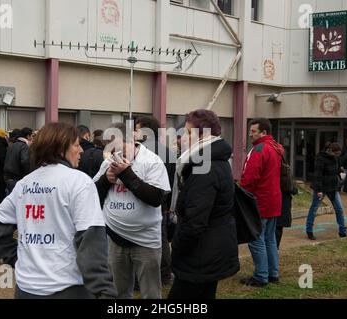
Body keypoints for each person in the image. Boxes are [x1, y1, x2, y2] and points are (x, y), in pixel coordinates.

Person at [0, 122, 117, 299]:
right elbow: (91, 242)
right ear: (60, 147)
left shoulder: (25, 183)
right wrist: (104, 291)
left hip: (25, 289)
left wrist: (20, 260)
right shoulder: (79, 182)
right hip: (68, 288)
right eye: (77, 145)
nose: (81, 151)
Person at [93, 122, 170, 299]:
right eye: (111, 150)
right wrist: (106, 180)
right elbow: (92, 195)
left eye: (120, 148)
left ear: (133, 140)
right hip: (115, 239)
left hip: (145, 240)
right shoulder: (108, 163)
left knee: (150, 293)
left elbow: (156, 198)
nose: (116, 155)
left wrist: (127, 175)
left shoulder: (152, 161)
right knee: (118, 292)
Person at [168, 109, 239, 299]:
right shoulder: (210, 160)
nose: (184, 137)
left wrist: (177, 246)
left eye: (188, 132)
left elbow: (195, 222)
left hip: (201, 254)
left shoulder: (205, 168)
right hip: (208, 250)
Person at [240, 118, 283, 287]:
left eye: (253, 132)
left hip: (260, 201)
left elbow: (249, 178)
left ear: (263, 132)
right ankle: (273, 273)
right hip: (273, 199)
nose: (250, 135)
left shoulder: (259, 149)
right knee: (270, 238)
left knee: (256, 238)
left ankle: (261, 276)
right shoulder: (275, 147)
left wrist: (242, 194)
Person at [135, 116, 176, 286]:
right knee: (161, 236)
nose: (135, 133)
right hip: (163, 199)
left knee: (140, 238)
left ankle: (139, 279)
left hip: (141, 198)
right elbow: (173, 179)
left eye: (137, 129)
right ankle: (165, 274)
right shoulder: (169, 152)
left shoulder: (139, 151)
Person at [306, 142, 347, 240]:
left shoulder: (335, 158)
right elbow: (318, 175)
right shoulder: (320, 158)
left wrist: (340, 172)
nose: (337, 156)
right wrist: (319, 190)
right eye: (336, 154)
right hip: (321, 188)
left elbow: (335, 170)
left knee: (339, 209)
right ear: (330, 151)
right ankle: (309, 230)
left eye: (338, 154)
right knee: (314, 208)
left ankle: (342, 231)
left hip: (333, 188)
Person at [4, 127, 33, 194]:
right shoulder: (24, 146)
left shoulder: (12, 145)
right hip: (17, 177)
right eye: (31, 135)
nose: (32, 138)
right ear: (28, 136)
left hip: (8, 177)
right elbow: (25, 161)